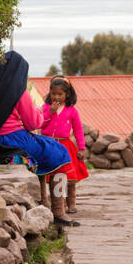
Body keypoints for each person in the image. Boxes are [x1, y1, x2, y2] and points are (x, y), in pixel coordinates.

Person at [0, 51, 77, 225]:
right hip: (14, 139)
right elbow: (33, 123)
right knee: (60, 152)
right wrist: (41, 113)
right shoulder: (18, 92)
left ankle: (43, 201)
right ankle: (59, 212)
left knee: (45, 153)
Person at [40, 76, 88, 216]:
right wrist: (50, 113)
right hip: (49, 145)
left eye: (60, 94)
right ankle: (57, 205)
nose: (56, 97)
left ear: (67, 94)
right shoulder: (45, 108)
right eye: (53, 93)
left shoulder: (71, 110)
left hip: (66, 146)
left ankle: (71, 203)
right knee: (55, 177)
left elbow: (78, 129)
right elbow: (40, 123)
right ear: (49, 93)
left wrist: (81, 148)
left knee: (70, 178)